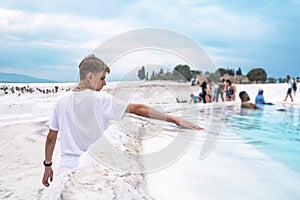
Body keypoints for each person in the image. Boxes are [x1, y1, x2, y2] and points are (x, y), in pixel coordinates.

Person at [42, 55, 203, 187]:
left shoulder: (60, 101)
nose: (105, 84)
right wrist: (173, 119)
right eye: (102, 78)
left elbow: (51, 138)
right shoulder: (101, 99)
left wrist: (47, 166)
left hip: (65, 174)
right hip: (90, 173)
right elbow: (138, 109)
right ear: (90, 76)